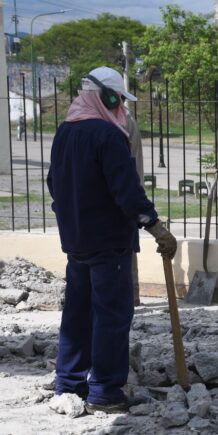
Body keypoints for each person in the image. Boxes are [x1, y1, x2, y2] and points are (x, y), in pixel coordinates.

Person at [46, 66, 176, 414]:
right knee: (112, 315)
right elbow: (127, 190)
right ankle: (104, 389)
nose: (121, 106)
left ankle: (69, 383)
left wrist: (70, 217)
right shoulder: (108, 136)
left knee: (77, 312)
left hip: (76, 242)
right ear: (105, 96)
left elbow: (53, 184)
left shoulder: (64, 133)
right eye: (118, 99)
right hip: (109, 243)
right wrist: (154, 225)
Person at [124, 100, 145, 306]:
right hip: (130, 193)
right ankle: (131, 294)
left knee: (126, 246)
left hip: (126, 196)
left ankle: (132, 294)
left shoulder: (123, 120)